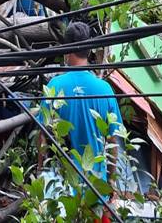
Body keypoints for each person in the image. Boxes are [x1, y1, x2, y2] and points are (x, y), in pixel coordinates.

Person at [37, 22, 122, 219]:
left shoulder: (55, 86)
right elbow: (112, 143)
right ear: (89, 50)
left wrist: (41, 173)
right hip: (95, 189)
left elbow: (43, 137)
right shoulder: (105, 90)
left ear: (67, 50)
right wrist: (111, 184)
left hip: (61, 188)